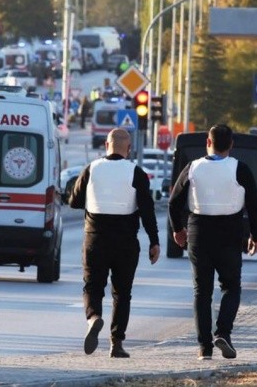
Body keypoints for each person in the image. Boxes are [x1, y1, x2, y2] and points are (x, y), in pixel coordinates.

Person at [168, 124, 257, 361]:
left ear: (208, 143)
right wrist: (256, 235)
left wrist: (178, 230)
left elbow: (174, 202)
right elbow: (254, 205)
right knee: (231, 287)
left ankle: (204, 348)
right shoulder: (240, 169)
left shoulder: (192, 168)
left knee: (202, 292)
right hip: (230, 231)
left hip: (198, 230)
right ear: (231, 145)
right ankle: (223, 332)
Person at [68, 128, 160, 358]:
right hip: (126, 242)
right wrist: (154, 242)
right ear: (128, 149)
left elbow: (74, 201)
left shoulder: (92, 169)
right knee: (122, 293)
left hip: (95, 238)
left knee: (92, 286)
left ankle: (93, 318)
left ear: (106, 146)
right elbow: (147, 210)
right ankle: (116, 343)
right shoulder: (136, 173)